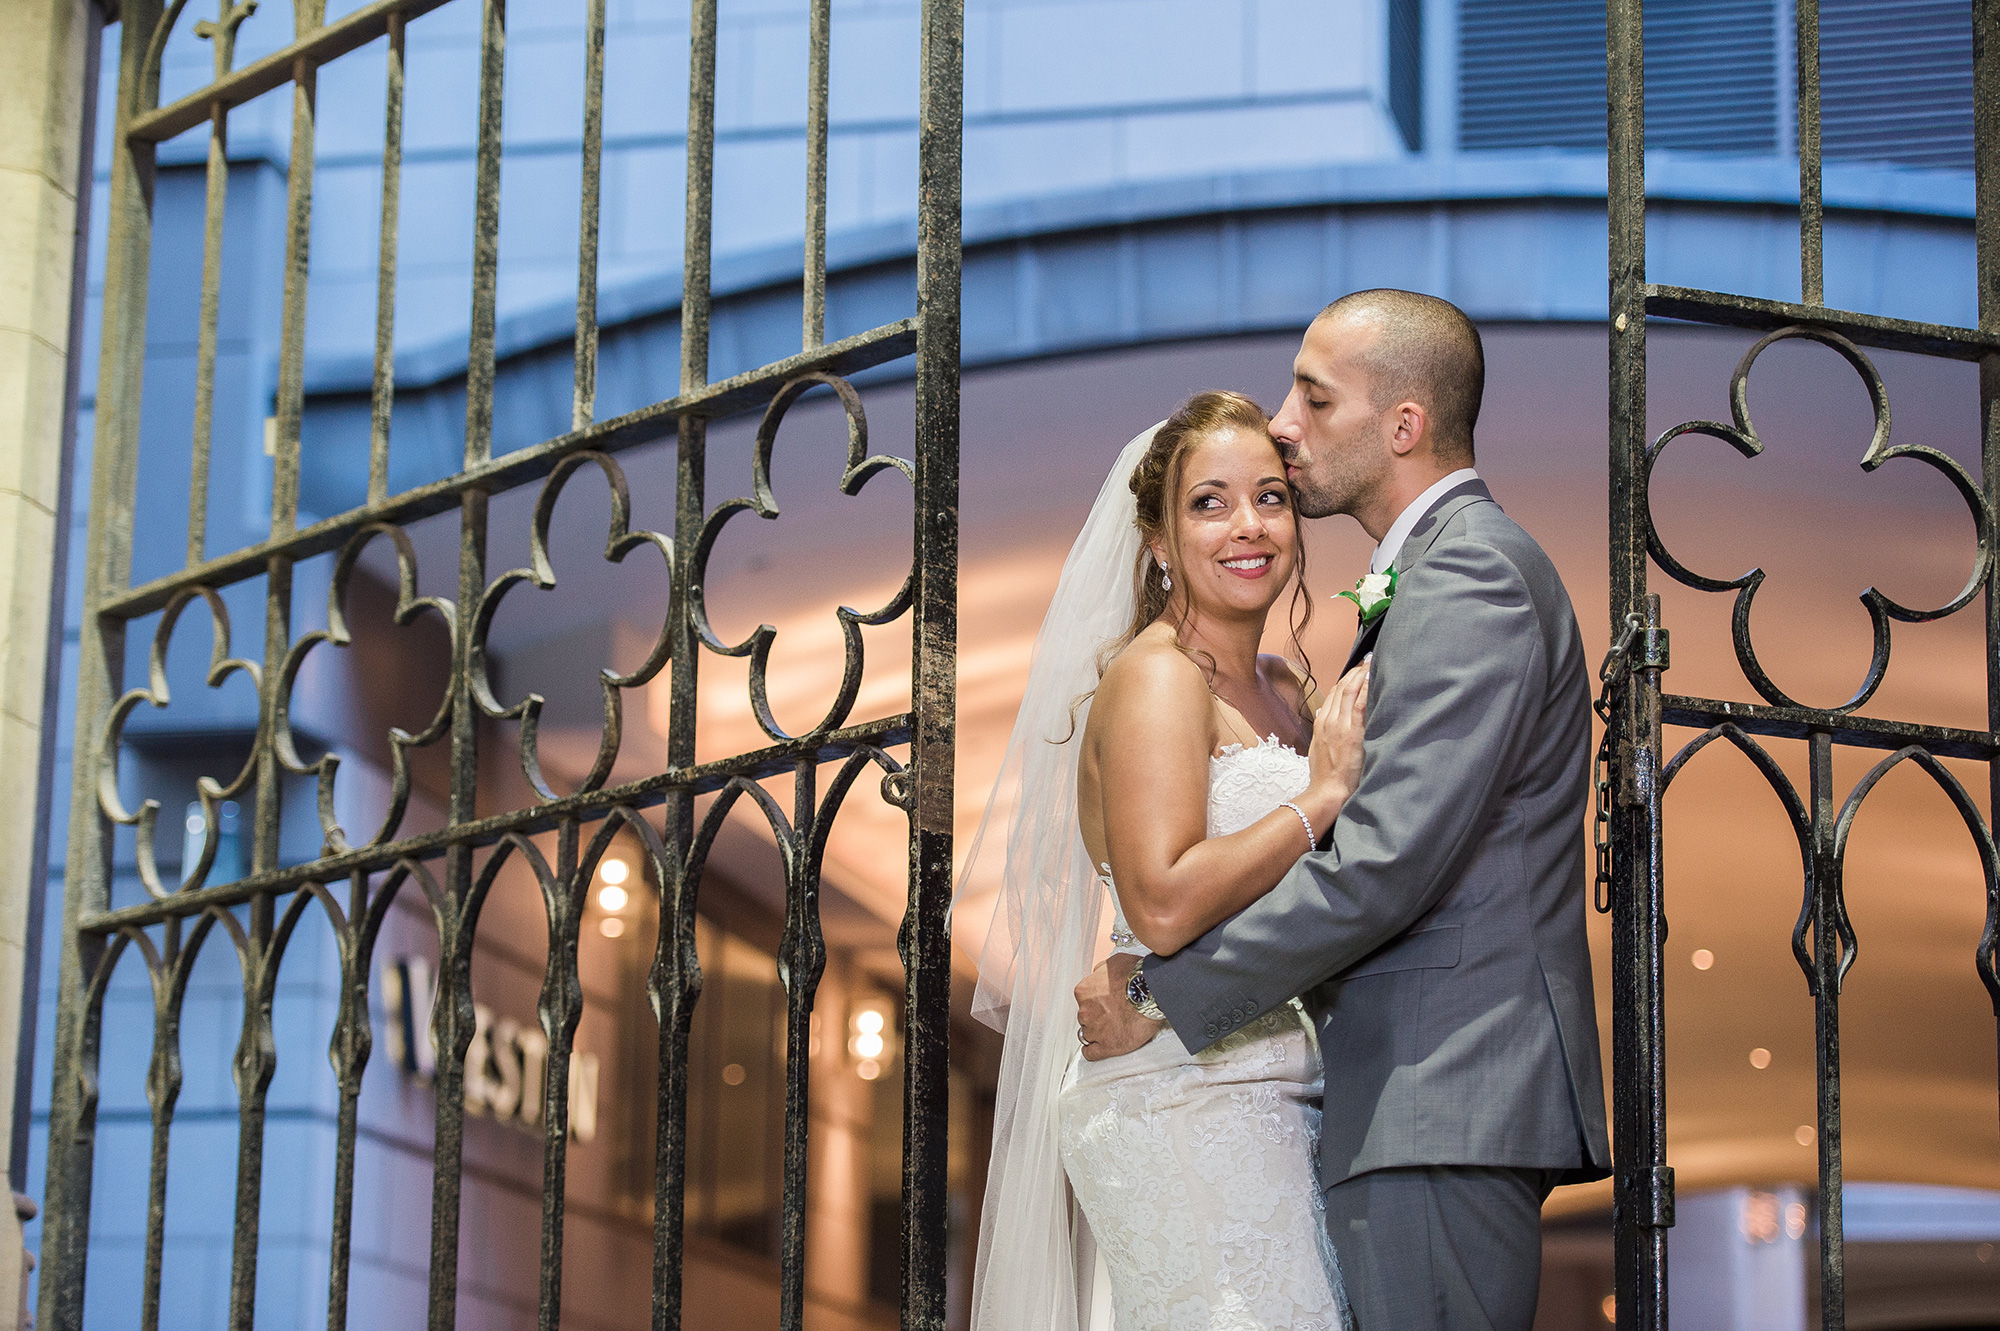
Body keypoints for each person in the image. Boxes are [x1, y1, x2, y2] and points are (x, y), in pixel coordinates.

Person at [1077, 290, 1613, 1331]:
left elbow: (1384, 858)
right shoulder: (1416, 580)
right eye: (1207, 503)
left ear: (1402, 425)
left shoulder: (1467, 573)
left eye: (1313, 399)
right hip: (1360, 1099)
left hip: (1438, 1090)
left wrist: (1161, 989)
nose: (1283, 421)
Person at [960, 390, 1371, 1331]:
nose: (1248, 526)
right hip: (1177, 1098)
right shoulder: (1156, 678)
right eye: (1209, 503)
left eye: (1270, 496)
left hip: (1270, 1088)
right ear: (1155, 537)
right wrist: (1320, 798)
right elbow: (1163, 903)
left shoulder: (1279, 688)